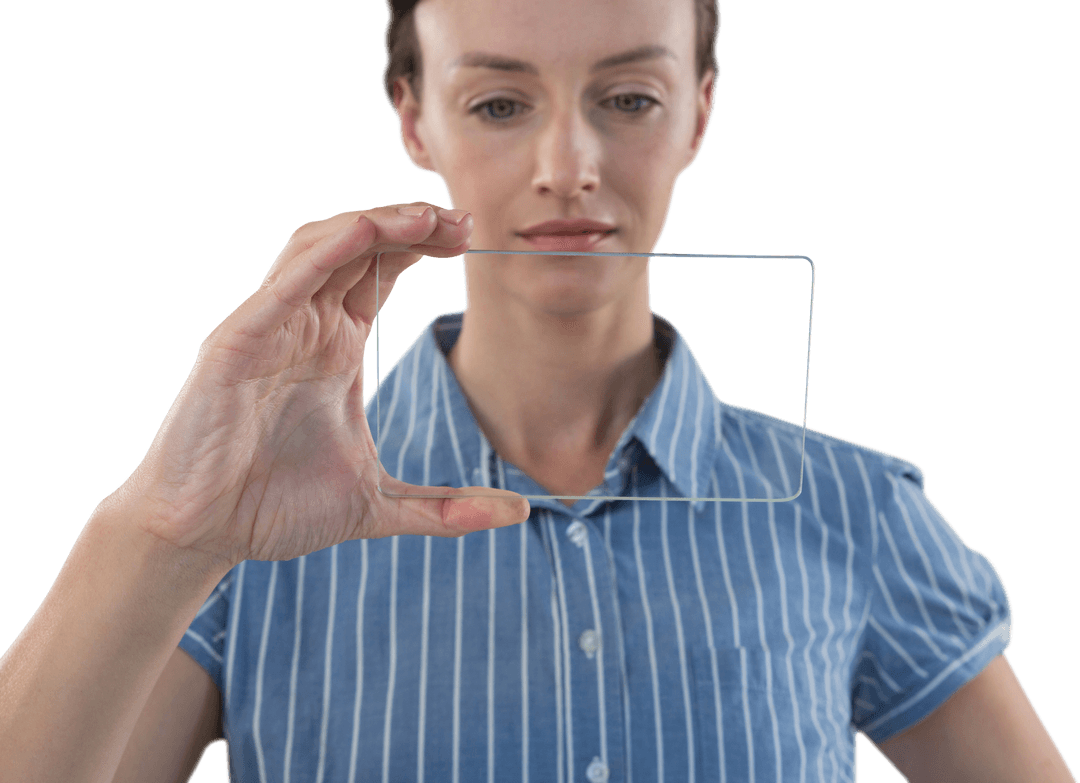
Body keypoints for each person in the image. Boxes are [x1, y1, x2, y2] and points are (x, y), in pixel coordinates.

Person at [0, 0, 1074, 782]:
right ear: (414, 117)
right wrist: (168, 527)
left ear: (699, 114)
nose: (570, 163)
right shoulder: (255, 530)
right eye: (503, 101)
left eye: (628, 98)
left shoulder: (857, 513)